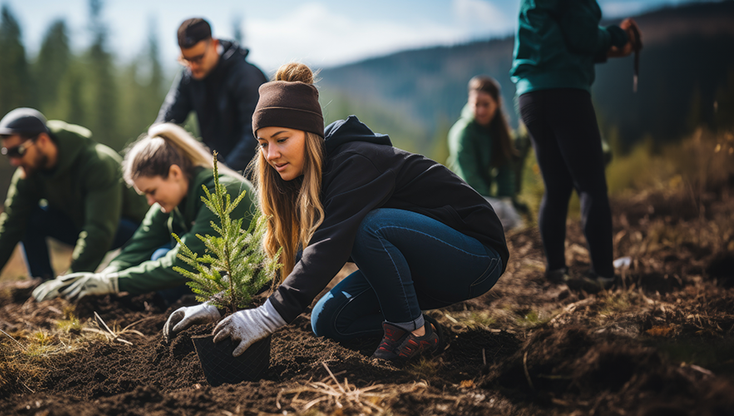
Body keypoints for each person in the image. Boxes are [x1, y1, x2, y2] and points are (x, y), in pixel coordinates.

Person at [164, 63, 509, 364]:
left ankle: (410, 330)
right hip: (421, 266)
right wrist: (220, 303)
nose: (271, 154)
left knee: (368, 227)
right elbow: (285, 253)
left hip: (475, 256)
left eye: (281, 139)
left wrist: (267, 318)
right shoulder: (299, 179)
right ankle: (424, 331)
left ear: (310, 135)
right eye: (264, 143)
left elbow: (326, 247)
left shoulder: (356, 162)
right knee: (327, 320)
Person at [30, 123, 256, 304]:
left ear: (174, 173)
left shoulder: (222, 190)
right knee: (156, 255)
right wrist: (103, 277)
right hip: (221, 279)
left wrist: (114, 284)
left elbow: (185, 260)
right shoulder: (172, 202)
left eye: (152, 191)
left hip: (251, 282)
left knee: (160, 257)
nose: (150, 201)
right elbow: (138, 246)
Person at [0, 108, 148, 306]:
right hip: (83, 226)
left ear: (42, 140)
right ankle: (42, 286)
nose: (14, 161)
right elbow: (10, 225)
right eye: (7, 153)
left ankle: (65, 287)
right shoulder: (27, 173)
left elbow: (100, 230)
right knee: (28, 217)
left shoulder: (98, 163)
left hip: (128, 233)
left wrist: (67, 281)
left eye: (18, 151)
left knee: (102, 235)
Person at [511, 0, 641, 292]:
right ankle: (603, 275)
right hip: (566, 93)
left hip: (530, 96)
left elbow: (558, 41)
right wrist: (620, 37)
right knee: (591, 186)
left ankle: (556, 269)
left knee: (556, 187)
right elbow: (582, 36)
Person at [155, 17, 267, 172]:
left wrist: (224, 175)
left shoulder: (246, 76)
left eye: (198, 58)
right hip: (217, 170)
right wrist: (153, 145)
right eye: (186, 60)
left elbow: (255, 134)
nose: (192, 66)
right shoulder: (189, 77)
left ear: (214, 44)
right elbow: (167, 121)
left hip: (253, 176)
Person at [447, 75, 523, 231]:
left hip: (486, 197)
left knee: (514, 221)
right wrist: (493, 203)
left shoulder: (500, 131)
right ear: (469, 103)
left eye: (486, 104)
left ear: (497, 103)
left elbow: (506, 169)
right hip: (464, 196)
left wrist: (506, 199)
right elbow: (469, 177)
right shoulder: (462, 133)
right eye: (476, 104)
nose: (481, 110)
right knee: (497, 214)